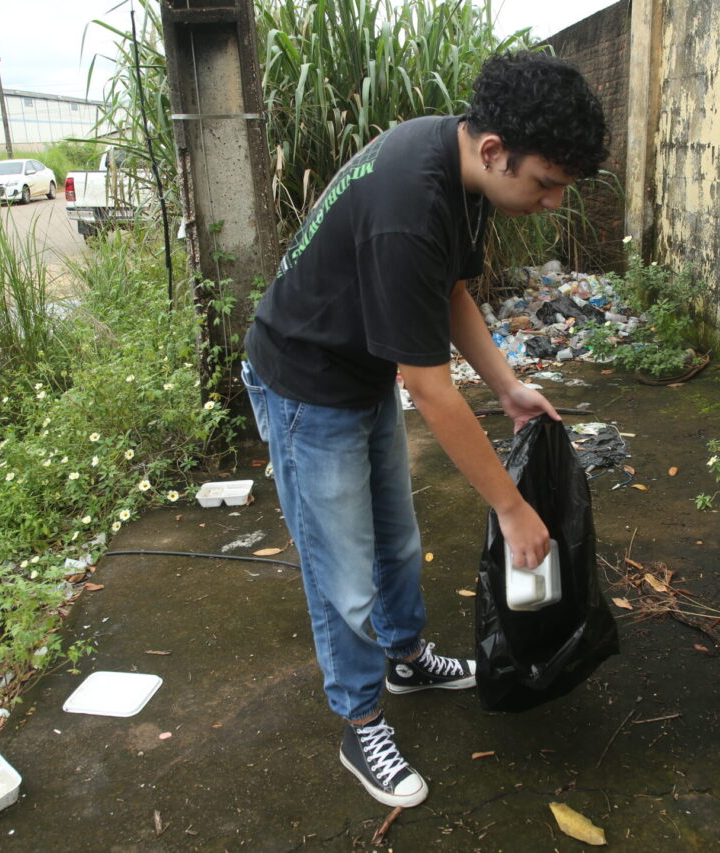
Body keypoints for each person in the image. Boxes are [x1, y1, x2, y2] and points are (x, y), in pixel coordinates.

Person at [241, 51, 608, 808]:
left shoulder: (462, 166)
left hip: (358, 368)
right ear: (495, 151)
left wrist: (507, 384)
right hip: (306, 385)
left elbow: (450, 291)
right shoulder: (413, 199)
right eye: (545, 184)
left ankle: (405, 658)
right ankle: (359, 718)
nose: (549, 204)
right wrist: (511, 508)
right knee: (342, 574)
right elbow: (432, 389)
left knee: (398, 537)